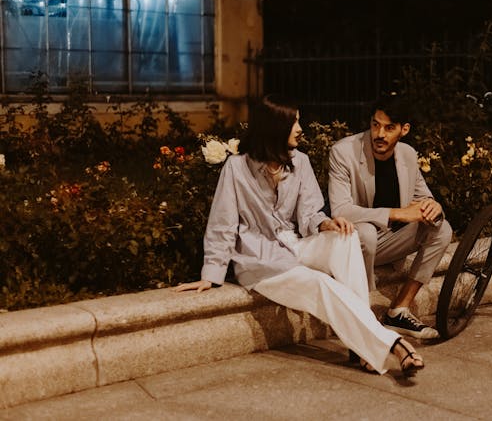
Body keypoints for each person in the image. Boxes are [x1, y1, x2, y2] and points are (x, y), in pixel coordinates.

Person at [174, 94, 424, 375]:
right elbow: (223, 223)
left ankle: (362, 345)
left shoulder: (300, 162)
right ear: (274, 127)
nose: (300, 128)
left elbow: (310, 214)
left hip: (293, 245)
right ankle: (393, 344)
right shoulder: (237, 168)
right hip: (261, 262)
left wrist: (326, 225)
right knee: (321, 284)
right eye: (294, 122)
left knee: (346, 237)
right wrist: (211, 274)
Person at [328, 94, 453, 340]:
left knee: (442, 229)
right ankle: (362, 316)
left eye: (389, 128)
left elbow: (424, 197)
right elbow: (340, 210)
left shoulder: (407, 154)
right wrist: (396, 213)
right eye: (375, 125)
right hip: (353, 245)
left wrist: (433, 206)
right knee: (363, 232)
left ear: (404, 130)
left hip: (387, 243)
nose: (380, 134)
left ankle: (398, 310)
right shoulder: (343, 152)